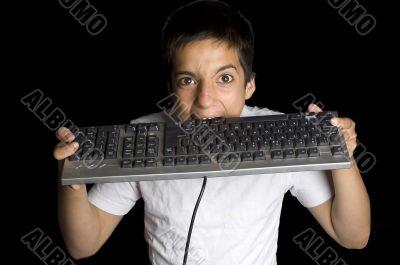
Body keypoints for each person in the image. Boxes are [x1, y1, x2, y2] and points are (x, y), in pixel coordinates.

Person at [54, 1, 370, 264]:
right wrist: (73, 180)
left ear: (250, 85)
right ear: (171, 88)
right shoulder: (144, 135)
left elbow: (353, 237)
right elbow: (84, 245)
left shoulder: (285, 133)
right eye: (188, 80)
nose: (205, 99)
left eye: (225, 78)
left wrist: (343, 156)